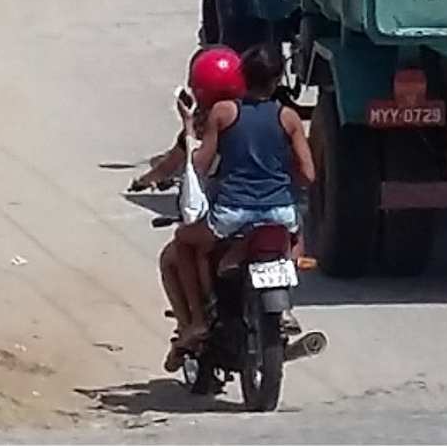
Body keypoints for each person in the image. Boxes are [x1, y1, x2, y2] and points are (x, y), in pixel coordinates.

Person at [168, 43, 313, 359]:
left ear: (242, 79)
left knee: (182, 240)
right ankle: (286, 305)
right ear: (277, 80)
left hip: (232, 215)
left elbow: (203, 163)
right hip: (279, 213)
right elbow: (308, 173)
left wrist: (191, 131)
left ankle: (196, 321)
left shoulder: (224, 113)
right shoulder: (288, 117)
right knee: (296, 233)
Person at [129, 46, 244, 368]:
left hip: (220, 220)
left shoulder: (203, 124)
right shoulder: (252, 115)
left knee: (173, 255)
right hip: (258, 215)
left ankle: (192, 323)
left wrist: (144, 180)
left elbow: (178, 163)